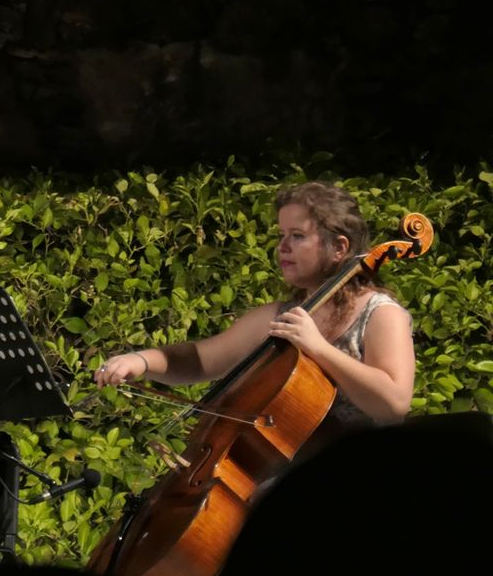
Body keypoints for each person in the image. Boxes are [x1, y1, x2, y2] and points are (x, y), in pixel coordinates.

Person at [93, 180, 416, 430]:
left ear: (338, 247)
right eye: (281, 235)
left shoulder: (380, 313)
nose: (283, 247)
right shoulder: (281, 316)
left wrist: (318, 347)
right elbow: (200, 360)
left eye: (298, 236)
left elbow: (394, 403)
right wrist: (141, 360)